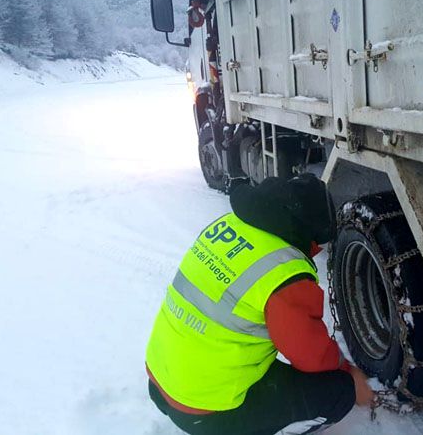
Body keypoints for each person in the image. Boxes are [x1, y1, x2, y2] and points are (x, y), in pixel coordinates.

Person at [145, 174, 375, 434]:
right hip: (205, 412)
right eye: (316, 243)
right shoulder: (284, 271)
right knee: (339, 391)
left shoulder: (227, 225)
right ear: (305, 230)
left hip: (161, 382)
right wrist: (348, 372)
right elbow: (310, 354)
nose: (315, 251)